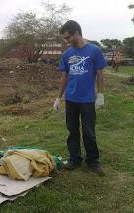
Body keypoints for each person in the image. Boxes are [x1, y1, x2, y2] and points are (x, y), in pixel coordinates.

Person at [53, 20, 107, 174]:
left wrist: (100, 94)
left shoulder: (94, 51)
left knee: (89, 131)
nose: (66, 41)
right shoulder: (66, 54)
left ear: (76, 33)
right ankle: (75, 159)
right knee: (72, 130)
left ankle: (93, 160)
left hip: (88, 100)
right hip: (71, 100)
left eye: (67, 37)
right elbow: (64, 77)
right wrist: (58, 97)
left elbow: (100, 74)